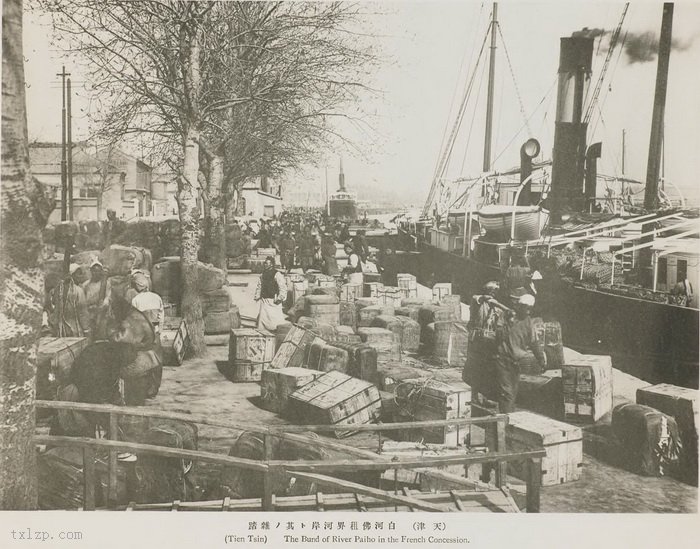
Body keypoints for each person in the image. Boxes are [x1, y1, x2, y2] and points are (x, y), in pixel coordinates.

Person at [493, 294, 546, 413]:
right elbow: (498, 335)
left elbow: (535, 343)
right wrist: (509, 324)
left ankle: (509, 418)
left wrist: (541, 360)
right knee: (507, 392)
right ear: (519, 306)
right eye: (525, 308)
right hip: (502, 359)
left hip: (516, 362)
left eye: (529, 309)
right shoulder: (506, 316)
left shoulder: (528, 323)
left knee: (513, 391)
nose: (527, 311)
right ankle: (506, 420)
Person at [47, 263, 90, 338]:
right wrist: (86, 329)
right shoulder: (78, 291)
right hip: (74, 330)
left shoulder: (58, 289)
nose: (80, 276)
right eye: (78, 274)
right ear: (72, 275)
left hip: (59, 330)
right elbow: (82, 312)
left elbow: (53, 304)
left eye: (81, 274)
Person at [81, 259, 112, 340]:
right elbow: (82, 300)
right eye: (94, 271)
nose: (96, 273)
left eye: (98, 271)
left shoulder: (105, 284)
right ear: (91, 271)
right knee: (89, 336)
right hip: (89, 313)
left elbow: (108, 297)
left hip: (102, 314)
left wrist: (103, 305)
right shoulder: (85, 285)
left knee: (101, 335)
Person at [255, 256, 287, 331]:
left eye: (267, 263)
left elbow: (282, 287)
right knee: (263, 318)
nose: (265, 264)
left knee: (275, 320)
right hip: (264, 300)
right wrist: (257, 295)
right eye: (265, 263)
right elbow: (259, 285)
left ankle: (276, 331)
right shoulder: (263, 274)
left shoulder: (277, 274)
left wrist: (280, 297)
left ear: (271, 264)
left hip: (274, 300)